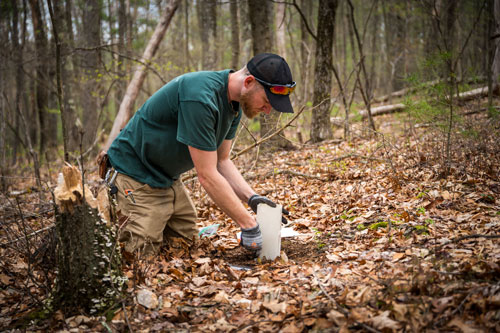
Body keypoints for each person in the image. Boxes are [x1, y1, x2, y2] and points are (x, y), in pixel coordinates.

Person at [102, 53, 296, 255]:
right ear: (248, 82)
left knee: (186, 247)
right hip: (133, 176)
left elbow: (222, 161)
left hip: (166, 178)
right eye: (266, 101)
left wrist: (252, 198)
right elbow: (207, 174)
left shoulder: (235, 104)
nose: (267, 110)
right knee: (140, 256)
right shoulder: (200, 97)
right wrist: (248, 224)